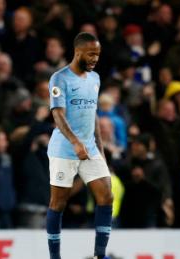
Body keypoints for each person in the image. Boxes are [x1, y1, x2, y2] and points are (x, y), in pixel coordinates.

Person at [46, 32, 113, 259]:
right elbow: (58, 114)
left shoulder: (95, 79)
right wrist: (74, 142)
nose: (95, 58)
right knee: (58, 203)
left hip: (90, 149)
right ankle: (55, 256)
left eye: (98, 54)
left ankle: (100, 255)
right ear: (78, 52)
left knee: (106, 196)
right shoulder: (59, 78)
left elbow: (92, 115)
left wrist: (100, 151)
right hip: (64, 150)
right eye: (91, 54)